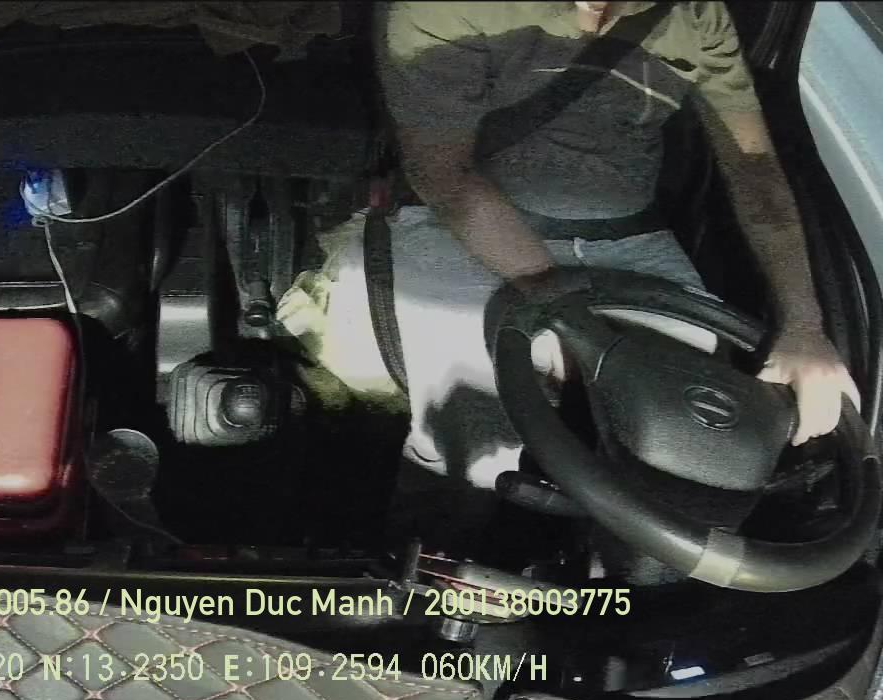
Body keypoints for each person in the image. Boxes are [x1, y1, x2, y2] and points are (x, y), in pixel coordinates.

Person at [278, 1, 860, 490]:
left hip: (631, 238)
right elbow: (445, 177)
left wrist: (805, 328)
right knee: (474, 422)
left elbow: (753, 167)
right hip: (459, 225)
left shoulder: (697, 14)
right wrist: (562, 308)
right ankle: (441, 544)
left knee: (697, 436)